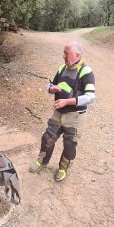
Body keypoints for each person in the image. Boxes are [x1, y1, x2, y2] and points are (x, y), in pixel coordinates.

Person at [29, 41, 95, 182]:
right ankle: (42, 161)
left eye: (66, 54)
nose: (63, 56)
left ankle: (63, 169)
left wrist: (67, 101)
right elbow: (50, 85)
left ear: (77, 55)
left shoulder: (86, 71)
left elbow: (90, 97)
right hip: (58, 113)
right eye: (64, 53)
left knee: (70, 144)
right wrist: (51, 88)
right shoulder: (62, 69)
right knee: (47, 138)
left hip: (75, 116)